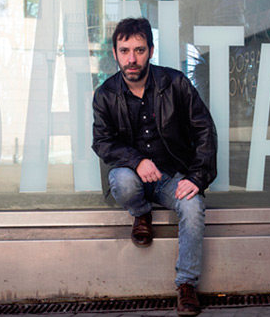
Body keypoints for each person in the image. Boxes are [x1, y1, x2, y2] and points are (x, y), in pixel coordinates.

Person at [92, 17, 217, 317]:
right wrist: (136, 161)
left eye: (139, 50)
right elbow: (102, 142)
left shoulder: (175, 84)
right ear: (115, 53)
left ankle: (186, 285)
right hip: (131, 176)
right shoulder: (105, 95)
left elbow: (204, 130)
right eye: (124, 51)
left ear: (150, 50)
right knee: (122, 182)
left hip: (170, 177)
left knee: (193, 206)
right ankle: (141, 213)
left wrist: (197, 178)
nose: (131, 59)